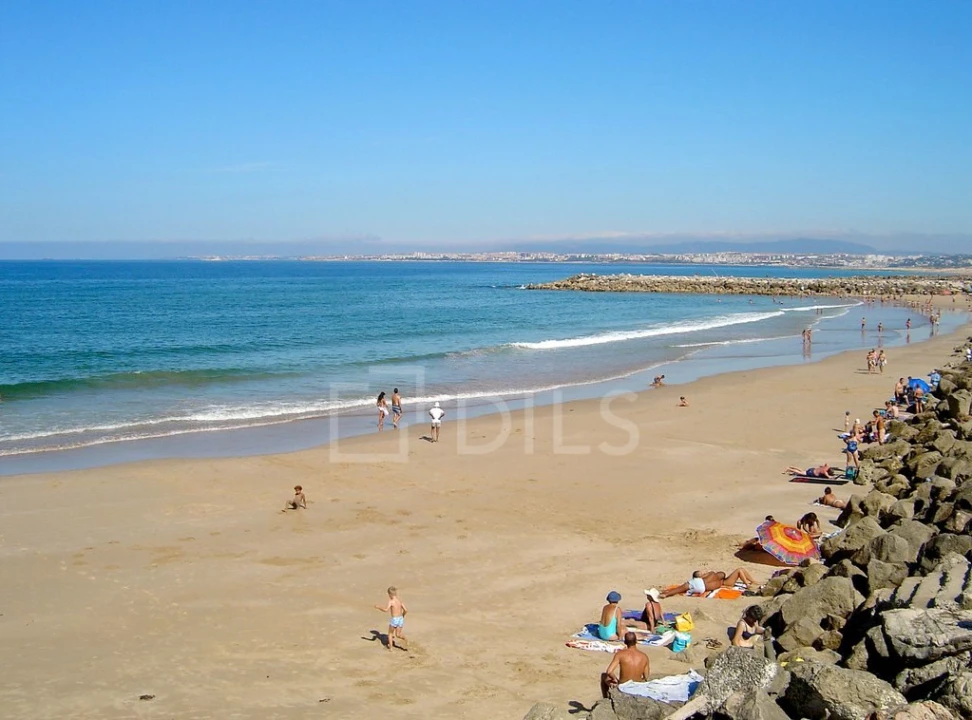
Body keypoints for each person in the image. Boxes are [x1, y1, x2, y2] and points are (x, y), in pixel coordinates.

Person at [600, 632, 649, 698]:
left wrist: (615, 679)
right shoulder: (644, 656)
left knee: (604, 676)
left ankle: (605, 699)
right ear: (636, 641)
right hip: (637, 687)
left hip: (623, 687)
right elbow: (646, 676)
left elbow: (609, 672)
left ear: (625, 642)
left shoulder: (620, 654)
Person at [660, 568, 757, 598]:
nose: (704, 572)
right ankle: (748, 583)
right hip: (712, 584)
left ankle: (752, 582)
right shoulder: (710, 575)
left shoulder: (713, 577)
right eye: (702, 573)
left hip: (720, 583)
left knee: (740, 569)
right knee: (680, 588)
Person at [374, 586, 408, 651]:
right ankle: (405, 639)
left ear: (390, 594)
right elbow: (406, 610)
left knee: (390, 634)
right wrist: (403, 616)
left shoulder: (391, 601)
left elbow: (386, 610)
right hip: (400, 618)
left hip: (394, 619)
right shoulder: (400, 601)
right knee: (398, 634)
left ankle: (391, 648)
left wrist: (378, 607)